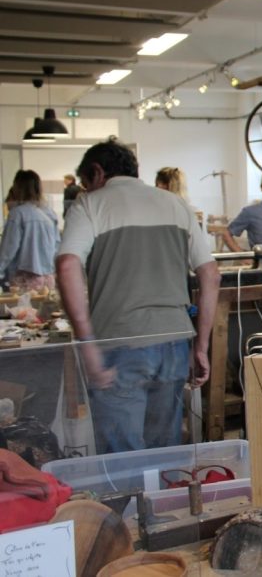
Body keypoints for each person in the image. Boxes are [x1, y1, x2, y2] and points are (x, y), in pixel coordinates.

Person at [56, 137, 219, 454]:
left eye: (86, 183)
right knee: (165, 451)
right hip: (173, 343)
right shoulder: (176, 205)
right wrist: (200, 346)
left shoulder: (90, 204)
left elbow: (67, 265)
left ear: (97, 172)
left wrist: (86, 342)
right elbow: (211, 275)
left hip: (119, 342)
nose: (86, 189)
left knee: (123, 458)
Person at [0, 170, 59, 292]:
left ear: (17, 188)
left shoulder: (18, 214)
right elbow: (57, 245)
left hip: (25, 278)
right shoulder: (49, 213)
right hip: (48, 278)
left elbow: (8, 250)